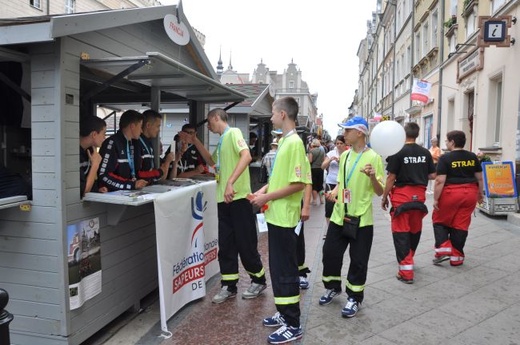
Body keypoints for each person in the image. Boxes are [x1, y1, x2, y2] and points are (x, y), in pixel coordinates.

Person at [178, 108, 267, 304]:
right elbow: (211, 162)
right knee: (226, 245)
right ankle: (229, 285)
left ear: (216, 118)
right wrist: (195, 142)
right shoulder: (221, 140)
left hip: (238, 198)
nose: (208, 127)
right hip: (224, 200)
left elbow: (246, 156)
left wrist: (230, 182)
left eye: (209, 123)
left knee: (245, 242)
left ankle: (258, 280)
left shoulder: (234, 133)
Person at [250, 96, 311, 344]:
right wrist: (263, 191)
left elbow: (298, 184)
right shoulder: (286, 142)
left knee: (285, 270)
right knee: (278, 268)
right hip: (276, 216)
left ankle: (292, 322)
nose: (271, 116)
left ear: (283, 114)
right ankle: (284, 313)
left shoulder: (294, 143)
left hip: (285, 219)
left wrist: (267, 195)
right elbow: (282, 179)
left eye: (274, 113)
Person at [319, 116, 384, 319]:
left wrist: (373, 176)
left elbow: (380, 191)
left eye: (347, 131)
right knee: (329, 252)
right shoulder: (345, 156)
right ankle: (332, 287)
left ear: (359, 133)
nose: (344, 134)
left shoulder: (374, 157)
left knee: (358, 260)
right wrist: (334, 193)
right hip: (340, 215)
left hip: (362, 218)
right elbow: (341, 183)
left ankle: (354, 297)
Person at [381, 122, 436, 284]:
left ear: (403, 135)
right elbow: (433, 175)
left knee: (400, 232)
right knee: (414, 230)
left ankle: (406, 272)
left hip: (402, 197)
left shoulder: (398, 152)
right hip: (419, 197)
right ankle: (409, 258)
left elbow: (391, 177)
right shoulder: (425, 153)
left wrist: (384, 197)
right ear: (417, 134)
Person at [432, 130, 483, 266]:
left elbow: (440, 180)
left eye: (447, 141)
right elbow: (479, 178)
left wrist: (436, 199)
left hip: (451, 193)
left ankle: (443, 249)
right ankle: (457, 257)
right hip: (470, 193)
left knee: (440, 220)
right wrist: (480, 194)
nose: (446, 143)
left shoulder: (445, 158)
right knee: (461, 224)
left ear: (452, 142)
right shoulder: (472, 157)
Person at [98, 110, 149, 191]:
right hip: (112, 196)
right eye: (140, 126)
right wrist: (130, 185)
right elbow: (103, 175)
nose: (141, 131)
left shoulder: (131, 143)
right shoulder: (112, 143)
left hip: (126, 193)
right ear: (132, 126)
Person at [138, 109, 174, 181]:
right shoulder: (137, 142)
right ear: (148, 125)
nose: (159, 130)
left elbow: (160, 177)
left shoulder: (149, 143)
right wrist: (166, 163)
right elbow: (137, 174)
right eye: (158, 126)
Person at [321, 135, 347, 225]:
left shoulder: (348, 153)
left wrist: (341, 162)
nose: (339, 145)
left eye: (341, 143)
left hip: (344, 184)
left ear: (345, 144)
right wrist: (330, 160)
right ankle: (329, 229)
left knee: (345, 205)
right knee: (329, 207)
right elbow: (323, 166)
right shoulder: (331, 153)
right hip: (331, 183)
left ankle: (344, 227)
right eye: (337, 143)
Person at [80, 116, 107, 197]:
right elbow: (84, 191)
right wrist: (95, 165)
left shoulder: (90, 151)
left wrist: (96, 190)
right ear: (94, 134)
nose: (104, 138)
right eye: (103, 134)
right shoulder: (74, 154)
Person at [308, 138, 325, 205]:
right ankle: (321, 199)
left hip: (313, 169)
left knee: (314, 185)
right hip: (321, 169)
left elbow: (310, 161)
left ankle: (314, 200)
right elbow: (323, 160)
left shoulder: (311, 151)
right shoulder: (322, 151)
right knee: (320, 185)